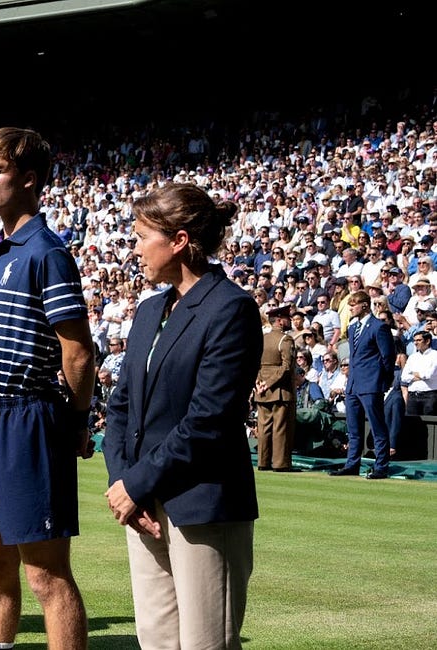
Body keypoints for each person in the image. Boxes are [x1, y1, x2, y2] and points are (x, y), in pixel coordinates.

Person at [103, 182, 261, 650]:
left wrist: (136, 484)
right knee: (155, 640)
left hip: (201, 503)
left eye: (141, 236)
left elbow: (208, 419)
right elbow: (120, 407)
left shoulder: (230, 308)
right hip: (142, 504)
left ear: (179, 240)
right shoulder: (150, 310)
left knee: (206, 643)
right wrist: (124, 486)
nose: (133, 249)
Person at [0, 128, 96, 650]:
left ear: (29, 180)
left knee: (45, 572)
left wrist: (77, 420)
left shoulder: (47, 252)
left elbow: (78, 350)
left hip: (29, 417)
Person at [330, 290, 396, 479]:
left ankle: (381, 466)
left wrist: (383, 381)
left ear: (365, 305)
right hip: (353, 384)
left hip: (371, 384)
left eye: (353, 305)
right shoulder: (352, 327)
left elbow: (388, 357)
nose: (350, 308)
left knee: (377, 427)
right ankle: (352, 465)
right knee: (353, 428)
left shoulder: (378, 327)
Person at [255, 305, 298, 472]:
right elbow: (286, 367)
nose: (289, 321)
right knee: (281, 428)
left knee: (264, 427)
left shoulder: (262, 339)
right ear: (280, 321)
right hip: (281, 390)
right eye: (287, 318)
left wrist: (259, 383)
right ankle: (281, 464)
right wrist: (269, 383)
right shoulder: (285, 340)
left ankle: (263, 462)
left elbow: (254, 364)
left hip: (262, 389)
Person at [402, 329, 437, 415]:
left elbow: (428, 375)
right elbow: (404, 377)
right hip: (413, 396)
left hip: (430, 396)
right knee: (411, 424)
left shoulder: (435, 355)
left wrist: (413, 374)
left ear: (427, 341)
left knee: (430, 423)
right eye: (414, 340)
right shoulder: (412, 357)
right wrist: (420, 375)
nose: (415, 343)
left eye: (419, 340)